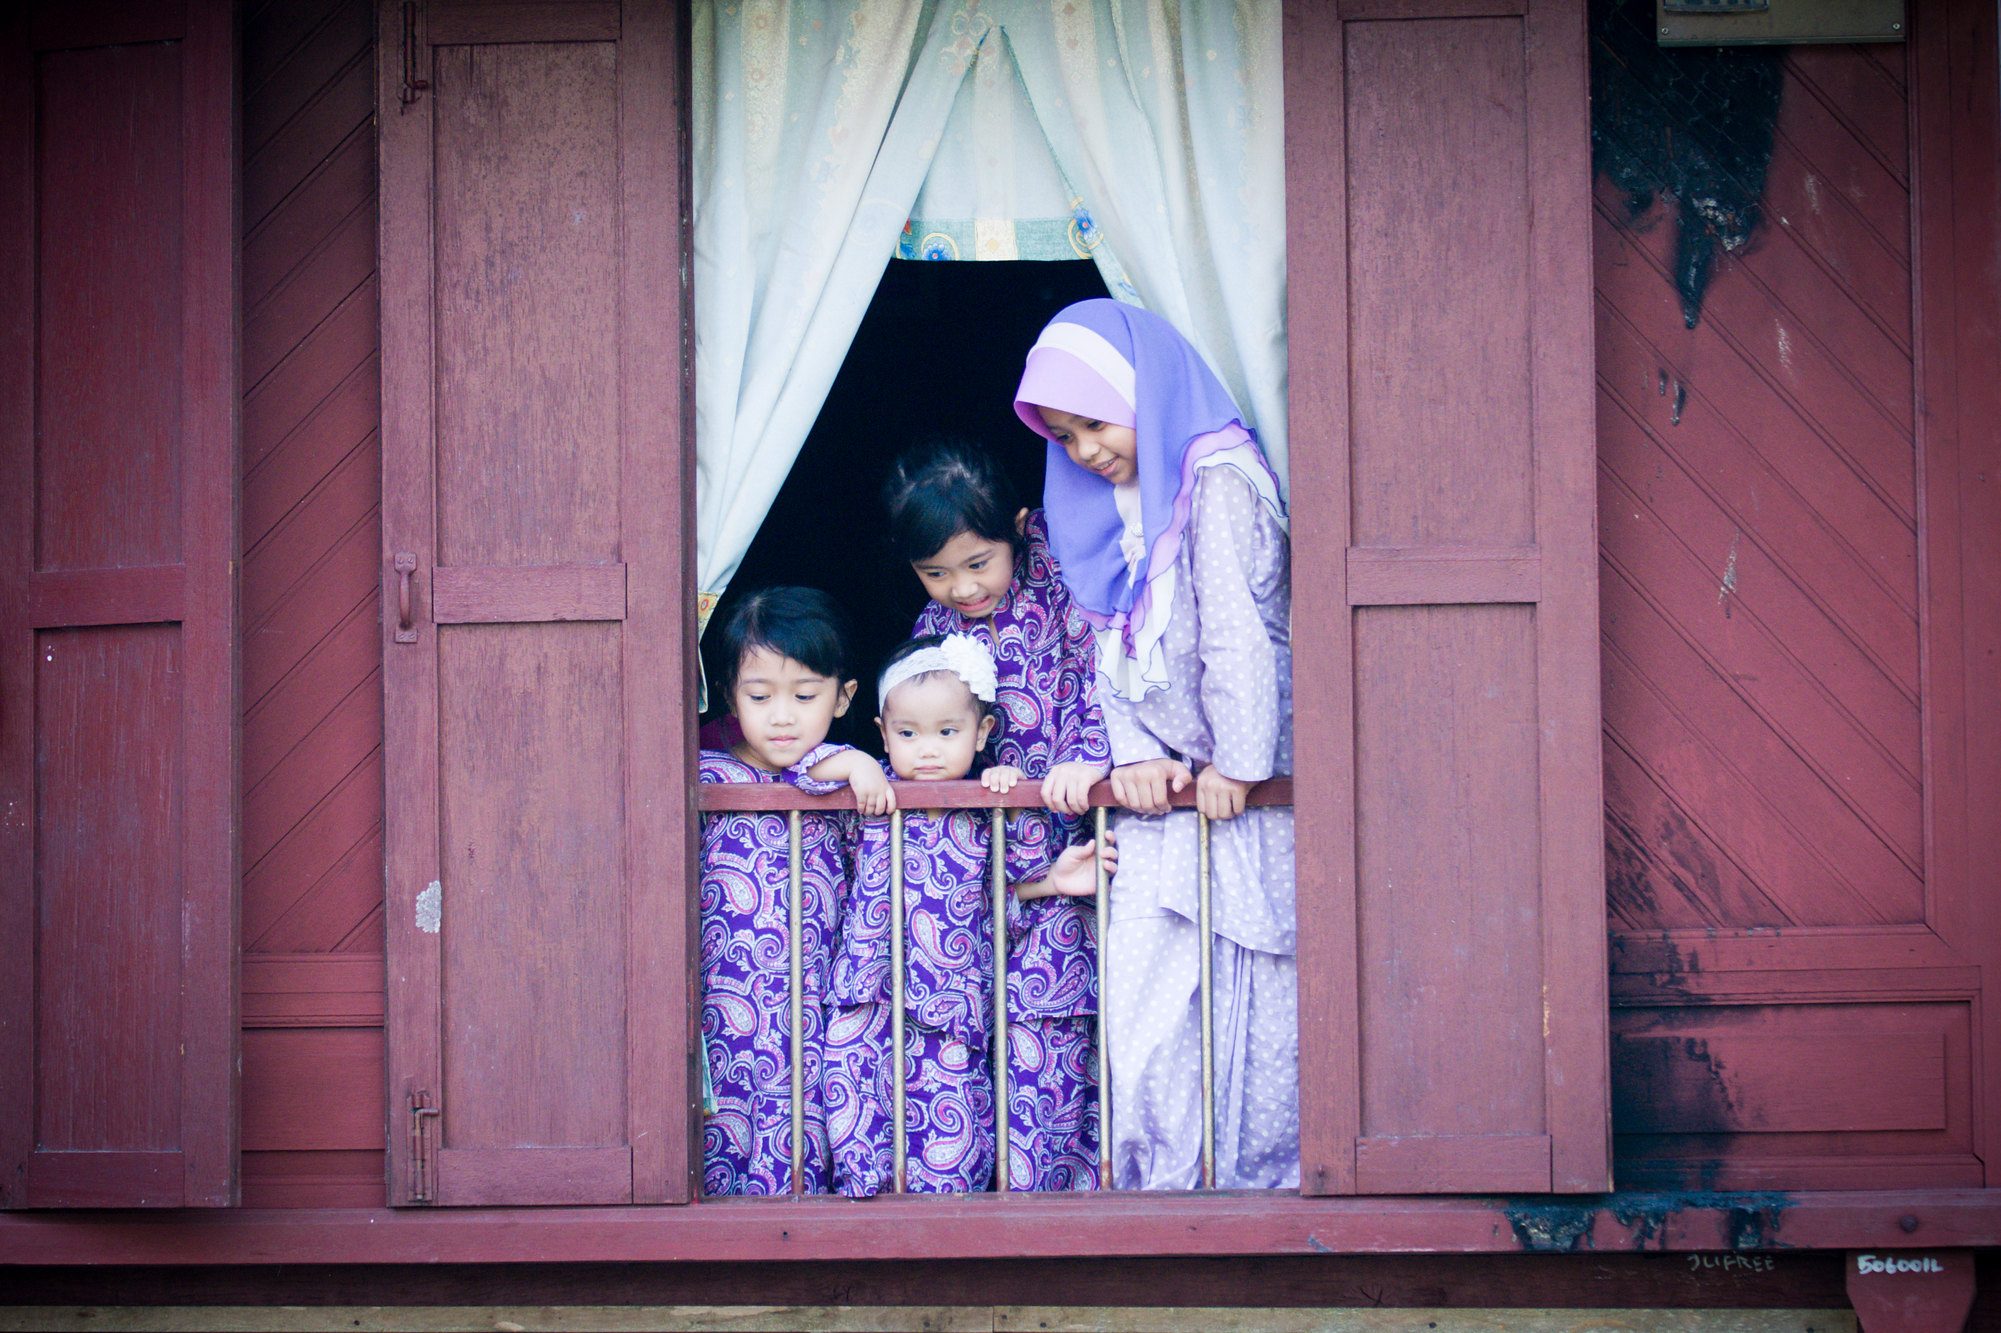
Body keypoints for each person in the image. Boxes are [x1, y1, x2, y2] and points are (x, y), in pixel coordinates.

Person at [1014, 298, 1297, 1190]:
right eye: (1064, 436)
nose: (1087, 450)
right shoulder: (1113, 510)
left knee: (1250, 1006)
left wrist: (1240, 764)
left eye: (1095, 422)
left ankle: (1254, 1200)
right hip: (1168, 795)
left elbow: (1237, 635)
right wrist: (1132, 752)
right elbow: (1115, 647)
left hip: (1245, 792)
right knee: (1143, 1018)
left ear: (1144, 390)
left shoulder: (1213, 477)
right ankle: (1160, 1190)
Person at [884, 439, 1111, 1189]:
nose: (961, 586)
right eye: (936, 571)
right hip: (981, 871)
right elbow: (925, 737)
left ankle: (1060, 1199)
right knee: (965, 1043)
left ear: (1018, 529)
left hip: (1071, 847)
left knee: (1055, 1035)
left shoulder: (1057, 583)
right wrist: (985, 768)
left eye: (979, 561)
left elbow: (1094, 675)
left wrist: (1084, 757)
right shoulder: (932, 636)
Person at [822, 634, 1112, 1195]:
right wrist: (857, 763)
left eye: (947, 733)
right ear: (882, 732)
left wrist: (1054, 881)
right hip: (867, 988)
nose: (926, 750)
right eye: (907, 734)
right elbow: (800, 771)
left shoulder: (986, 800)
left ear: (981, 732)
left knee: (949, 1107)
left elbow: (1000, 896)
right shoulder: (872, 789)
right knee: (856, 1098)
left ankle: (941, 1217)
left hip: (949, 999)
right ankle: (866, 1210)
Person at [698, 587, 891, 1195]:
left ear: (844, 698)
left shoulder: (852, 781)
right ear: (729, 693)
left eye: (805, 696)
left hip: (815, 985)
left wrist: (853, 765)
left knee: (802, 1097)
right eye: (760, 696)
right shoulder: (695, 767)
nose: (782, 716)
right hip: (717, 986)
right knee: (724, 1097)